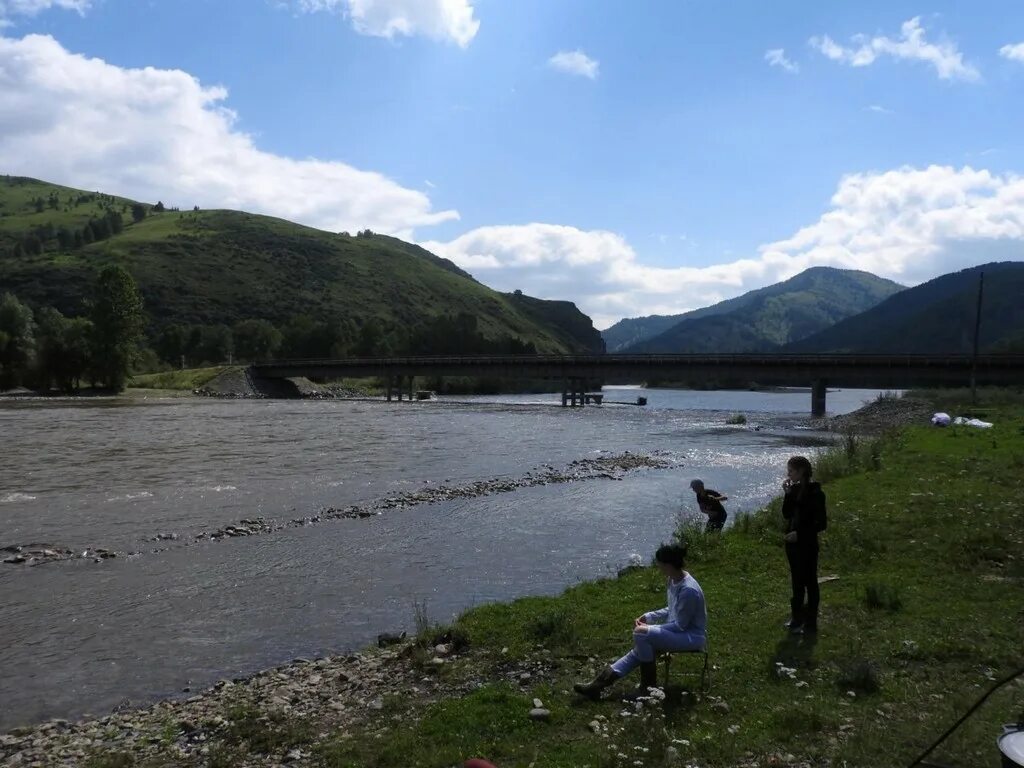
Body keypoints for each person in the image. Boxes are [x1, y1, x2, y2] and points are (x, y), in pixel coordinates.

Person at [574, 543, 706, 699]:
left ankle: (647, 687)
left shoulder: (688, 590)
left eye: (660, 565)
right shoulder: (672, 580)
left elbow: (681, 625)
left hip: (691, 637)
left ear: (669, 565)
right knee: (640, 646)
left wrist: (649, 628)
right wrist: (648, 616)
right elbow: (672, 609)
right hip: (678, 632)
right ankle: (597, 686)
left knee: (642, 634)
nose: (659, 568)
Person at [781, 456, 827, 634]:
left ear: (801, 472)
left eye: (791, 471)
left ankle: (811, 623)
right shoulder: (793, 490)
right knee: (796, 581)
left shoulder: (816, 493)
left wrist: (799, 534)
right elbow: (786, 514)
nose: (788, 474)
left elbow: (821, 524)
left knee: (810, 581)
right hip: (792, 546)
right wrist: (786, 494)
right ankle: (796, 618)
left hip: (807, 544)